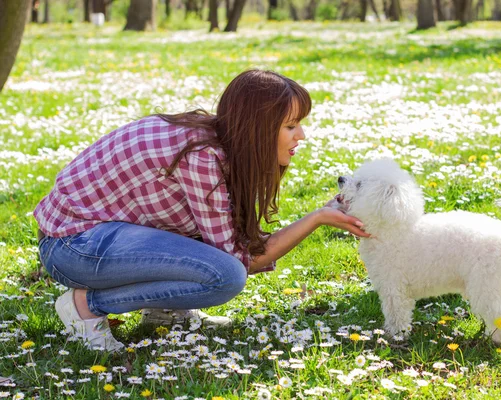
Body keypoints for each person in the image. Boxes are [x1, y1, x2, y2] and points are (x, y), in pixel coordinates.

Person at [35, 69, 369, 352]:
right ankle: (86, 306)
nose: (302, 135)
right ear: (258, 128)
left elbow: (232, 239)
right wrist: (316, 218)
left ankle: (165, 309)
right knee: (225, 276)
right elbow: (241, 261)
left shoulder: (216, 142)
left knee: (213, 256)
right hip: (72, 245)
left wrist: (318, 214)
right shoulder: (203, 158)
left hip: (96, 237)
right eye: (291, 126)